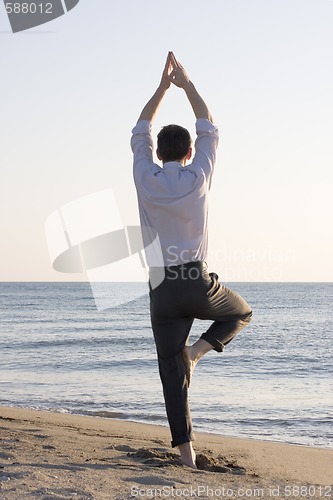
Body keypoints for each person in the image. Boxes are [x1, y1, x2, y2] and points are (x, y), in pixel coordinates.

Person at [131, 51, 252, 469]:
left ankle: (186, 454)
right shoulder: (199, 175)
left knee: (169, 373)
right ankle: (196, 355)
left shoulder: (144, 175)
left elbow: (142, 129)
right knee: (241, 313)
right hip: (197, 282)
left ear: (160, 152)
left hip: (160, 288)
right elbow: (209, 128)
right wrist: (186, 85)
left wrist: (162, 88)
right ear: (187, 154)